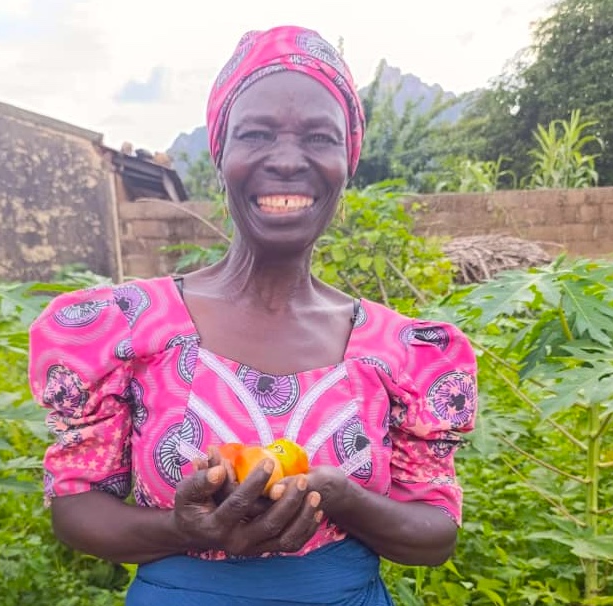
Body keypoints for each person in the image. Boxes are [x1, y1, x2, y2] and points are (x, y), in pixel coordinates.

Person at [28, 24, 478, 606]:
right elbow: (75, 506)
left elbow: (434, 535)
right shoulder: (130, 329)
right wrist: (180, 529)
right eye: (256, 134)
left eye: (319, 137)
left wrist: (342, 498)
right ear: (222, 154)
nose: (288, 161)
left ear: (348, 161)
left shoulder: (403, 352)